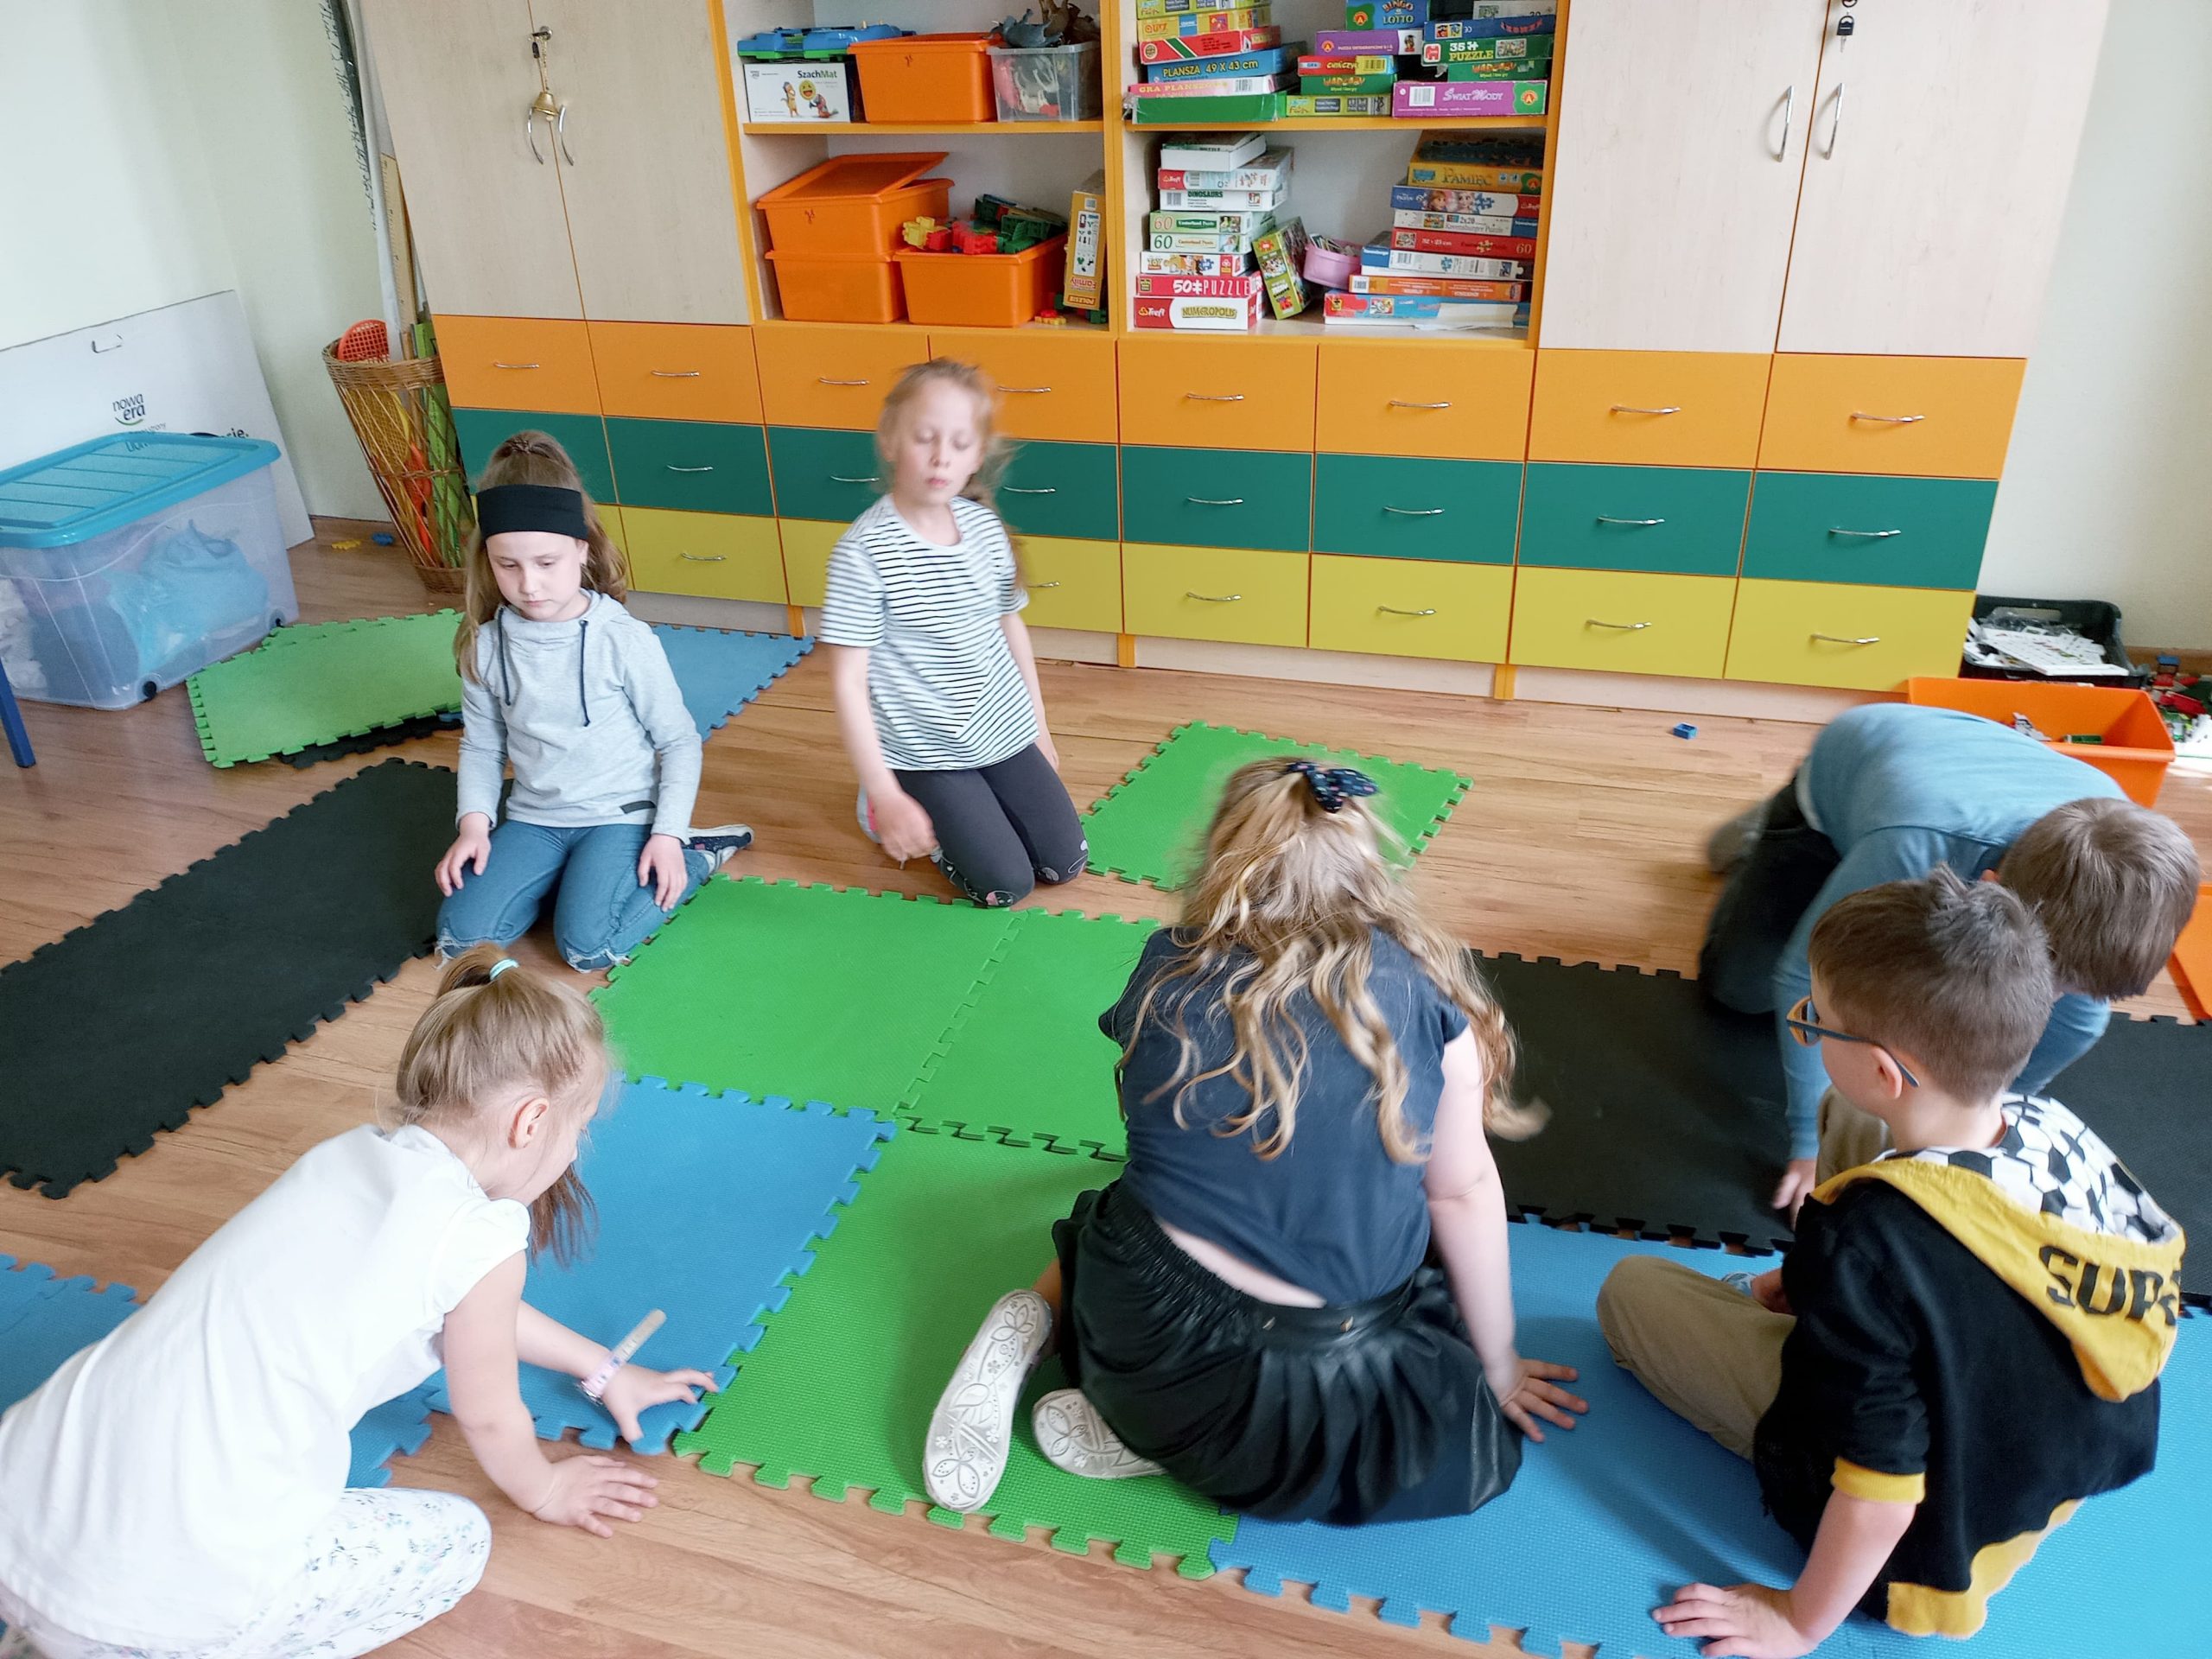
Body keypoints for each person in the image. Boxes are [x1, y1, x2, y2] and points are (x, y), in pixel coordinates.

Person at [920, 759, 1586, 1523]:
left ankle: (1040, 1323)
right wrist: (1499, 1365)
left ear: (1222, 862)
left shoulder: (1166, 965)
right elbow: (1462, 1192)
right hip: (1311, 1381)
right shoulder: (1428, 997)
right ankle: (1184, 1445)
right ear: (1372, 871)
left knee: (1121, 1208)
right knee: (1445, 1417)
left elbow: (1157, 1137)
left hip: (1142, 1324)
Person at [0, 950, 715, 1658]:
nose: (576, 1149)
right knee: (460, 1541)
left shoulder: (344, 1157)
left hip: (19, 1499)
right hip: (168, 1593)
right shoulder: (483, 1237)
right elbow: (491, 1415)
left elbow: (473, 1313)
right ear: (530, 1122)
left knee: (74, 1608)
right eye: (579, 1129)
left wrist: (602, 1368)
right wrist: (546, 1491)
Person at [1599, 871, 2183, 1655]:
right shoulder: (2050, 1122)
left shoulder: (1871, 1244)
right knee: (1848, 1121)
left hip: (1933, 1542)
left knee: (1630, 1290)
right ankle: (1827, 1307)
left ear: (1884, 1069)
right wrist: (1816, 1285)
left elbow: (1880, 1493)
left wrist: (1798, 1621)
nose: (1808, 1030)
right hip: (2046, 1455)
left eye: (1816, 1021)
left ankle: (1823, 1332)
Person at [1700, 702, 2199, 1220]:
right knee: (1739, 989)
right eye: (2046, 977)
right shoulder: (1915, 842)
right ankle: (1768, 831)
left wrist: (1981, 1127)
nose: (2045, 998)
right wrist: (1812, 1145)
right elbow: (1800, 973)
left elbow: (2073, 1028)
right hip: (1849, 783)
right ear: (1989, 889)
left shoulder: (2123, 897)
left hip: (1960, 782)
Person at [434, 431, 751, 971]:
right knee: (461, 942)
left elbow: (678, 742)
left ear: (581, 550)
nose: (529, 585)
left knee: (589, 949)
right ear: (488, 559)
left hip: (619, 815)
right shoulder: (486, 645)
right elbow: (483, 747)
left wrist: (667, 834)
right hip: (536, 818)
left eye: (547, 563)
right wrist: (474, 826)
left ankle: (696, 855)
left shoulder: (622, 639)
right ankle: (569, 879)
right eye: (508, 565)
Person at [821, 359, 1085, 908]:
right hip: (923, 750)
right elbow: (848, 683)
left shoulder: (984, 529)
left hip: (1000, 729)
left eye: (960, 443)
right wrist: (886, 792)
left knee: (1064, 863)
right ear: (890, 440)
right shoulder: (863, 552)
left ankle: (973, 802)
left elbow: (1010, 626)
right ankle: (886, 803)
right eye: (925, 438)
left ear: (977, 455)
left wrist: (1039, 727)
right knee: (1005, 886)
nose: (942, 456)